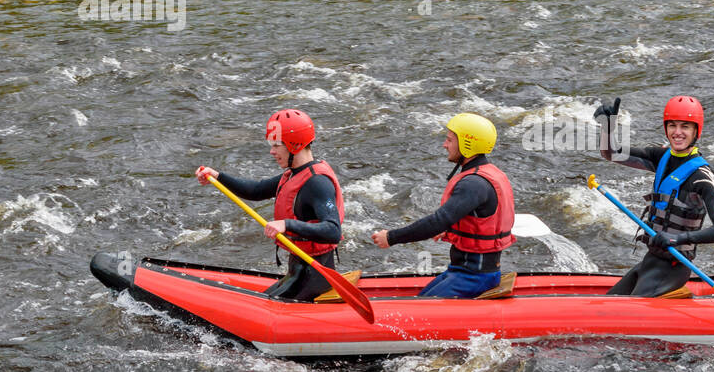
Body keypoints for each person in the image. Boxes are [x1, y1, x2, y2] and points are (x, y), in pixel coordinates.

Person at [196, 109, 344, 300]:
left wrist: (286, 224)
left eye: (276, 145)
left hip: (315, 279)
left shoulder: (317, 183)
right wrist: (218, 177)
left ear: (295, 145)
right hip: (298, 273)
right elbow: (256, 190)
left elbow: (333, 230)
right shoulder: (294, 173)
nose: (271, 151)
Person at [593, 95, 714, 297]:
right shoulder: (661, 157)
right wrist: (607, 128)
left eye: (685, 126)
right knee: (606, 306)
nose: (677, 132)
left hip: (674, 267)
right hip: (651, 261)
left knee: (622, 317)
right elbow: (612, 153)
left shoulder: (702, 177)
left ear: (696, 131)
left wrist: (679, 238)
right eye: (672, 126)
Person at [371, 113, 515, 298]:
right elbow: (479, 216)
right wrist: (452, 229)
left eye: (449, 140)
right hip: (462, 271)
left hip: (475, 277)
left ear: (467, 144)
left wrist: (390, 237)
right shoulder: (486, 174)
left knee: (418, 311)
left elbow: (437, 222)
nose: (444, 145)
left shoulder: (473, 183)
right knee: (421, 298)